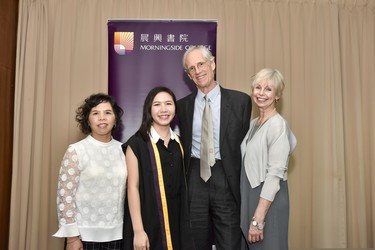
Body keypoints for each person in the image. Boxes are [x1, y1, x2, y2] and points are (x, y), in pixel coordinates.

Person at [177, 45, 252, 250]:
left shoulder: (241, 102)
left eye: (201, 64)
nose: (198, 71)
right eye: (191, 68)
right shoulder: (182, 106)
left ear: (212, 64)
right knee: (194, 243)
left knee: (230, 243)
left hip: (226, 179)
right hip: (194, 178)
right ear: (188, 75)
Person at [122, 86, 193, 250]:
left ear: (175, 108)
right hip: (149, 221)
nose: (163, 109)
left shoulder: (181, 144)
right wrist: (138, 230)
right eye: (157, 104)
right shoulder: (137, 143)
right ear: (149, 109)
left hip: (178, 221)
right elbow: (132, 188)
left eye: (168, 104)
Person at [53, 93, 127, 250]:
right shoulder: (76, 151)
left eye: (107, 112)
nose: (102, 118)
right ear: (88, 120)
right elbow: (65, 196)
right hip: (83, 237)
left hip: (119, 236)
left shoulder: (125, 150)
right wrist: (72, 239)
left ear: (115, 119)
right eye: (95, 113)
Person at [240, 68, 297, 250]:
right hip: (249, 196)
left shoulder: (278, 126)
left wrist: (258, 218)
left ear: (278, 95)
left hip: (267, 200)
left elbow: (274, 174)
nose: (261, 93)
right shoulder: (251, 124)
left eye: (268, 89)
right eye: (258, 87)